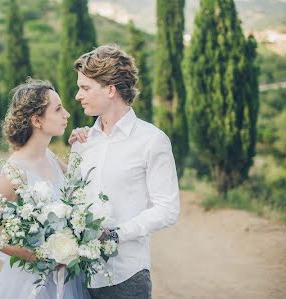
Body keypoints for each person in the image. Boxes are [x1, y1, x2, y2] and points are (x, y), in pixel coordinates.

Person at [68, 45, 180, 299]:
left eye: (85, 88)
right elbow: (71, 200)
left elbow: (168, 209)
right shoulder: (82, 141)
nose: (77, 95)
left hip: (126, 276)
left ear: (110, 89)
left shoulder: (152, 140)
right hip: (78, 274)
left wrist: (117, 235)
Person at [0, 79, 90, 299]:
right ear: (37, 120)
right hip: (31, 284)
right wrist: (41, 256)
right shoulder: (13, 172)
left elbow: (80, 189)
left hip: (67, 279)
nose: (67, 114)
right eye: (58, 109)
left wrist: (79, 146)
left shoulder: (51, 157)